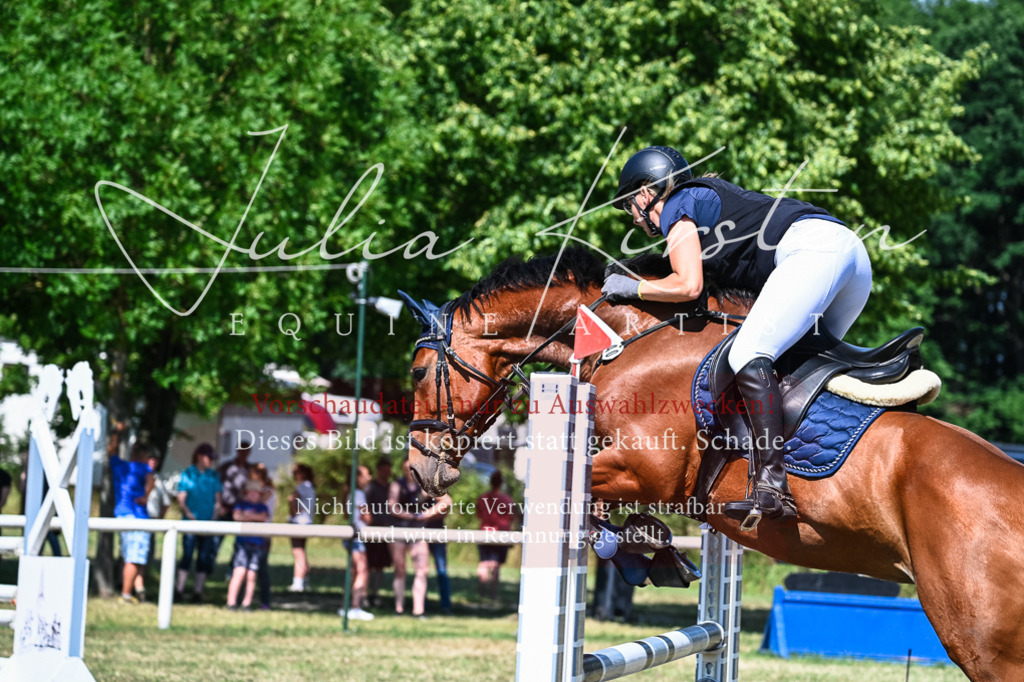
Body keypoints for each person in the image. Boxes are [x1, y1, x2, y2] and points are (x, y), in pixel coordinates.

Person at [604, 146, 872, 525]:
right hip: (851, 257)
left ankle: (772, 483)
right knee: (796, 368)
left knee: (746, 353)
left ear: (647, 192)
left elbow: (687, 285)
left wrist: (633, 288)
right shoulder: (706, 206)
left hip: (815, 251)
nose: (632, 217)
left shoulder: (678, 203)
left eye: (629, 203)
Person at [176, 442, 222, 603]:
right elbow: (181, 500)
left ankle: (197, 592)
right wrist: (191, 518)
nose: (211, 461)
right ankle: (179, 590)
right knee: (187, 556)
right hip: (190, 524)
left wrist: (212, 521)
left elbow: (218, 502)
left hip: (208, 525)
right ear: (199, 457)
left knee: (203, 559)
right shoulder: (187, 474)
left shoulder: (213, 476)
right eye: (209, 457)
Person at [111, 442, 154, 603]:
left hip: (121, 515)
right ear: (143, 456)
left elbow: (111, 451)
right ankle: (126, 595)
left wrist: (116, 433)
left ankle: (138, 588)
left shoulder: (119, 466)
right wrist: (146, 497)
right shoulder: (143, 468)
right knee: (134, 558)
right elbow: (151, 480)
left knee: (129, 555)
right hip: (137, 517)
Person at [388, 459, 430, 617]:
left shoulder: (425, 485)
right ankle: (398, 608)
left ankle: (418, 610)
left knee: (422, 570)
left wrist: (427, 514)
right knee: (400, 570)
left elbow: (444, 500)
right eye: (406, 468)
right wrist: (411, 516)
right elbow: (393, 506)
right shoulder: (397, 485)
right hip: (399, 530)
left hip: (418, 530)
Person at [226, 481, 269, 610]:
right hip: (242, 544)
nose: (253, 495)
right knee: (239, 572)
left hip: (257, 545)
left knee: (252, 574)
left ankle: (247, 603)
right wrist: (252, 517)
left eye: (256, 492)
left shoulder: (263, 507)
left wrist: (246, 515)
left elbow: (262, 517)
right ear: (246, 493)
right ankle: (231, 602)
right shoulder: (241, 504)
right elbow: (236, 516)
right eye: (251, 492)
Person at [339, 464, 374, 621]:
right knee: (362, 570)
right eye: (367, 474)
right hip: (357, 537)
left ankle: (344, 607)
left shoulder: (349, 493)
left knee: (352, 572)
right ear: (358, 478)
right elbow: (366, 516)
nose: (369, 477)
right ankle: (355, 606)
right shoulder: (358, 493)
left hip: (350, 536)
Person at [475, 470, 516, 603]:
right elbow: (510, 517)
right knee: (495, 565)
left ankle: (481, 593)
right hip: (500, 534)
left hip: (484, 532)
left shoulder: (482, 498)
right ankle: (493, 594)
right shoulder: (507, 500)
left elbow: (478, 515)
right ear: (501, 483)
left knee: (483, 563)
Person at [137, 452, 173, 600]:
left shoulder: (159, 481)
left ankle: (140, 585)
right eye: (150, 458)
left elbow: (166, 503)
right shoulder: (135, 475)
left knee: (146, 554)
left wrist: (159, 519)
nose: (153, 461)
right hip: (137, 519)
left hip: (151, 521)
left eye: (155, 459)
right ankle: (130, 586)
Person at [215, 439, 253, 572]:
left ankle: (232, 570)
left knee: (240, 543)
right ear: (237, 451)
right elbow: (217, 486)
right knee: (216, 540)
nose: (244, 453)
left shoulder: (250, 470)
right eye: (242, 450)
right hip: (225, 508)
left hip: (241, 511)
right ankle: (208, 568)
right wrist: (220, 505)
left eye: (246, 451)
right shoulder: (226, 467)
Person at [363, 457, 394, 607]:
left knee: (380, 565)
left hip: (386, 530)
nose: (386, 473)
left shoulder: (391, 488)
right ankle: (363, 595)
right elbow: (365, 506)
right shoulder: (371, 487)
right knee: (368, 564)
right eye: (384, 470)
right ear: (379, 470)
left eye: (389, 470)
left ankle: (375, 594)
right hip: (372, 530)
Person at [422, 490, 454, 615]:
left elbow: (446, 503)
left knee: (442, 571)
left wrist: (424, 515)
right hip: (421, 533)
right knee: (422, 571)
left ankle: (445, 606)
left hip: (437, 533)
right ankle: (421, 606)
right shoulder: (411, 488)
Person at [287, 463, 316, 592]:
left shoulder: (301, 488)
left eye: (296, 473)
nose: (293, 475)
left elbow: (295, 509)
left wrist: (291, 502)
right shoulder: (310, 487)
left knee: (298, 553)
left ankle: (298, 583)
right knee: (302, 552)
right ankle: (305, 580)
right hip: (307, 522)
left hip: (298, 523)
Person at [251, 463, 276, 609]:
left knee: (262, 569)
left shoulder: (267, 491)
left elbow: (256, 503)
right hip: (254, 532)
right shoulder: (264, 490)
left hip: (263, 533)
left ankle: (265, 601)